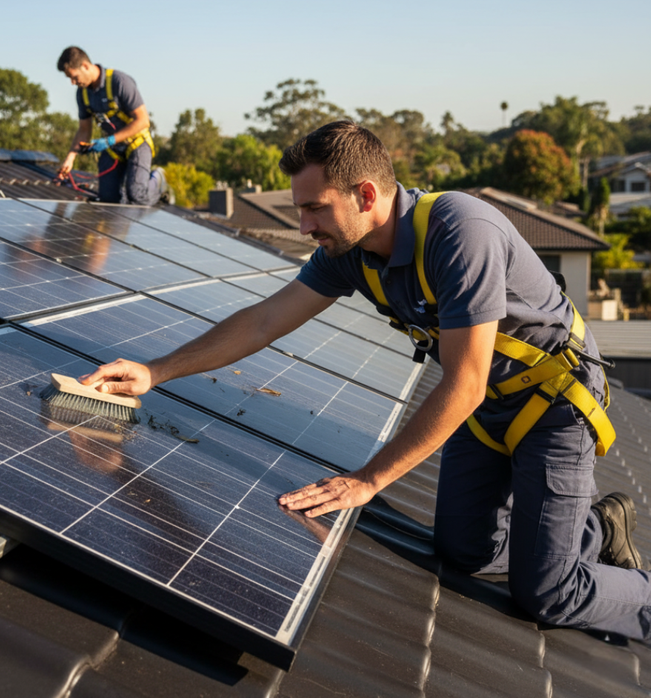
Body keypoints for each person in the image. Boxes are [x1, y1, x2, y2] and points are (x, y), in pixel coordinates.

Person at [79, 119, 651, 640]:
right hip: (488, 408)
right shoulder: (347, 252)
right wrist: (157, 371)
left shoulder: (459, 233)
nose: (304, 226)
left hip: (555, 406)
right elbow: (263, 320)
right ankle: (598, 529)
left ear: (367, 195)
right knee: (464, 552)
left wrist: (369, 480)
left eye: (315, 209)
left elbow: (465, 383)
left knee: (546, 595)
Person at [56, 46, 170, 204]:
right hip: (114, 149)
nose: (73, 83)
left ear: (85, 66)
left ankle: (158, 180)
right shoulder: (82, 94)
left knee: (137, 195)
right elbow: (84, 129)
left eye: (74, 77)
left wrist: (109, 140)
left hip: (137, 143)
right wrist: (70, 158)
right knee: (108, 199)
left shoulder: (119, 82)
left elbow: (143, 121)